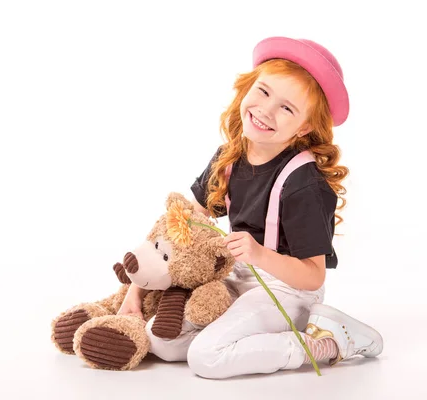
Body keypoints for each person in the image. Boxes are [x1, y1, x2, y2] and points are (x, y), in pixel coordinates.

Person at [117, 36, 383, 379]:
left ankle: (328, 343)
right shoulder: (230, 157)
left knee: (206, 357)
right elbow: (179, 227)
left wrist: (258, 255)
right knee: (161, 340)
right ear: (247, 88)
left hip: (288, 289)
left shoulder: (303, 182)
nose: (266, 111)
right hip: (239, 276)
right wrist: (136, 291)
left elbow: (312, 274)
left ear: (304, 127)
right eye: (264, 91)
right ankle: (244, 338)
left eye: (287, 108)